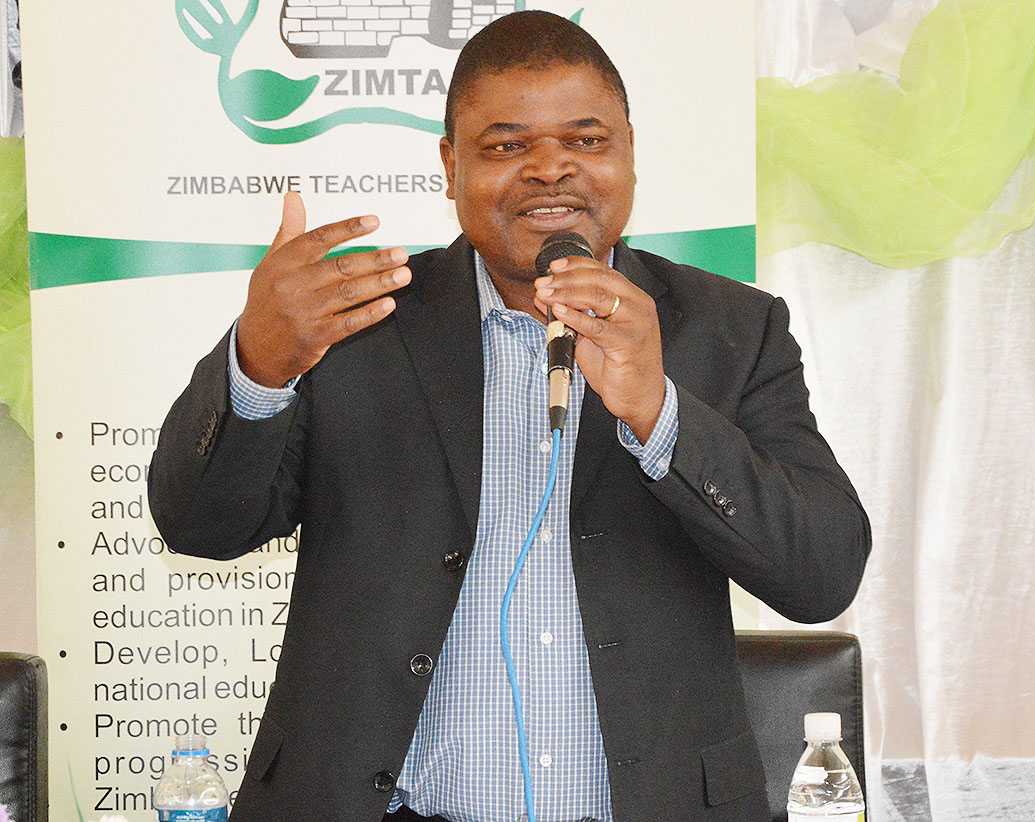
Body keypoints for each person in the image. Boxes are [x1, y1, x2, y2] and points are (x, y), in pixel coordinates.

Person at [148, 10, 870, 822]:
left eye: (586, 140)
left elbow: (822, 574)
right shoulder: (354, 325)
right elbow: (200, 526)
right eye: (505, 146)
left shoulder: (732, 328)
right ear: (450, 166)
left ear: (630, 152)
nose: (550, 169)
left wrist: (658, 411)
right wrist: (260, 361)